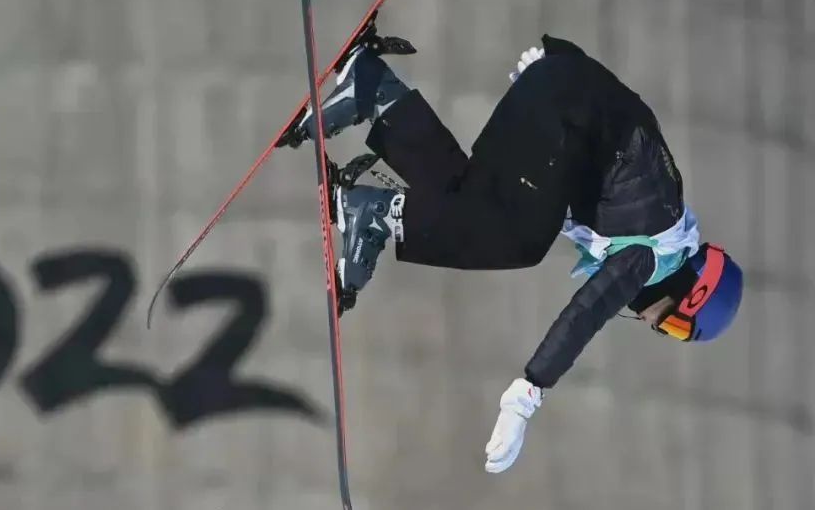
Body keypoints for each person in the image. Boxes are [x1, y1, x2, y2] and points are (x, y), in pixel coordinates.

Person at [280, 25, 744, 474]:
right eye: (676, 326)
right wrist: (528, 394)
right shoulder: (651, 254)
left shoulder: (664, 209)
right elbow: (588, 311)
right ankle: (375, 214)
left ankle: (374, 90)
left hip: (559, 103)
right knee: (520, 240)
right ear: (690, 290)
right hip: (560, 114)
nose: (657, 327)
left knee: (474, 202)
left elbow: (630, 114)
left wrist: (561, 61)